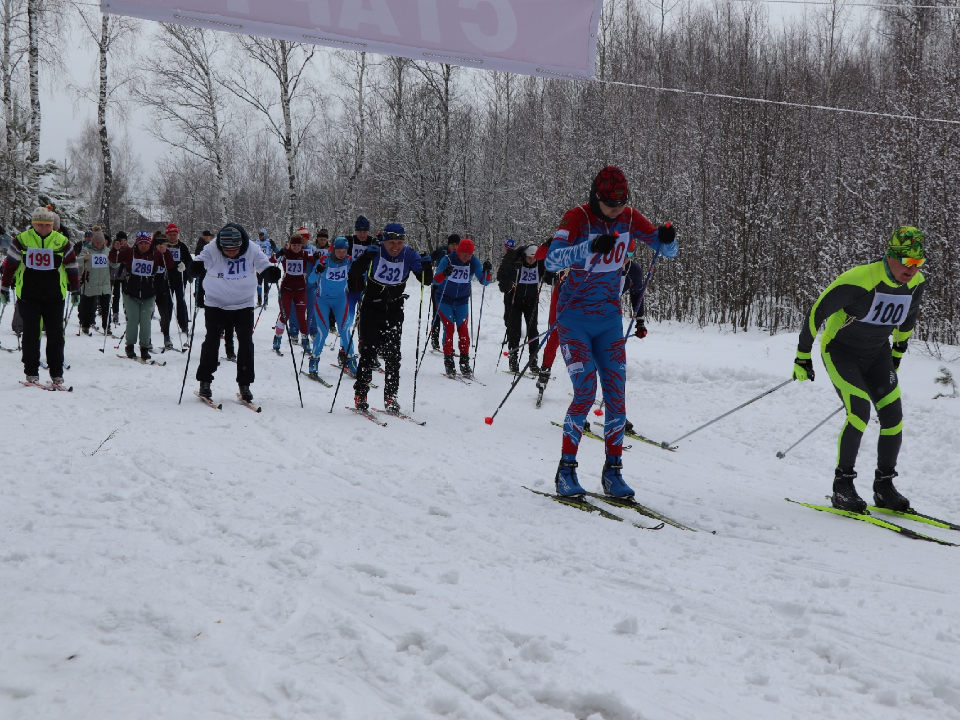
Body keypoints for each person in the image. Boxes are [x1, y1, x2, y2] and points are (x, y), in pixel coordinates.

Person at [544, 165, 678, 498]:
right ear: (596, 197)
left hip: (608, 321)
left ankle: (613, 472)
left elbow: (667, 251)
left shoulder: (630, 218)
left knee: (617, 396)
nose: (616, 211)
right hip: (573, 320)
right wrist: (588, 248)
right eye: (610, 205)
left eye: (621, 204)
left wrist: (667, 239)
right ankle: (566, 470)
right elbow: (550, 260)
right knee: (586, 390)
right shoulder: (577, 218)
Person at [793, 226, 926, 514]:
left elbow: (908, 319)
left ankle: (884, 485)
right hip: (840, 352)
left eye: (918, 263)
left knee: (893, 418)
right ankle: (843, 486)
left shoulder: (916, 284)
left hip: (877, 355)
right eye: (907, 262)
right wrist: (803, 355)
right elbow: (817, 311)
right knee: (859, 413)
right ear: (891, 256)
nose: (912, 269)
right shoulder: (859, 279)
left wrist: (898, 353)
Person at [348, 222, 431, 414]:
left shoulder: (409, 254)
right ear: (384, 241)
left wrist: (427, 266)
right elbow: (353, 273)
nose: (395, 247)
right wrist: (365, 258)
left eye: (399, 243)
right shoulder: (376, 251)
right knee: (368, 354)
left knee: (393, 356)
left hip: (393, 309)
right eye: (392, 243)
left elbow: (426, 280)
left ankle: (391, 397)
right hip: (371, 307)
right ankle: (361, 394)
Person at [191, 223, 279, 402]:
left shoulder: (252, 249)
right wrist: (197, 267)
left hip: (243, 303)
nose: (231, 253)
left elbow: (263, 263)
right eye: (227, 249)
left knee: (246, 342)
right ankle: (205, 381)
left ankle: (245, 384)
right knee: (212, 339)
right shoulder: (213, 248)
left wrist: (270, 272)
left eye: (235, 249)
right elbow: (201, 259)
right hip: (216, 302)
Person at [0, 207, 80, 386]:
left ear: (52, 225)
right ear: (33, 224)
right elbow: (10, 265)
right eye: (39, 224)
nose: (43, 228)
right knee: (31, 333)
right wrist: (4, 287)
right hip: (28, 294)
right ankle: (31, 372)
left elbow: (72, 266)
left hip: (55, 295)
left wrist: (75, 289)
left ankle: (57, 373)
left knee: (55, 334)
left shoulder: (61, 242)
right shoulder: (21, 240)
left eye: (47, 225)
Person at [110, 230, 173, 361]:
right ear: (137, 244)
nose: (144, 246)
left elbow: (170, 265)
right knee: (133, 320)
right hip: (131, 293)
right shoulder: (129, 252)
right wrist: (115, 249)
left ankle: (144, 347)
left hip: (149, 294)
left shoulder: (155, 254)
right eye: (141, 243)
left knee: (145, 322)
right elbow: (113, 259)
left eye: (146, 243)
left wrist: (165, 252)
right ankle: (130, 346)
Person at [432, 238, 491, 378]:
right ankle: (449, 361)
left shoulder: (474, 262)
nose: (466, 257)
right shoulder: (448, 259)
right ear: (458, 251)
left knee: (463, 330)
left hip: (462, 301)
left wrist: (487, 271)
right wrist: (444, 273)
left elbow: (484, 281)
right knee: (449, 327)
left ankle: (464, 362)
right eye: (463, 253)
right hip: (444, 299)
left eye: (469, 254)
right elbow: (436, 280)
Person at [308, 237, 356, 377]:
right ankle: (314, 360)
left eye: (344, 251)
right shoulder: (324, 260)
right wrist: (317, 270)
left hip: (340, 299)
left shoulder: (349, 261)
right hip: (322, 300)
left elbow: (361, 273)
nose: (341, 254)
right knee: (323, 330)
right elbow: (311, 280)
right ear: (333, 249)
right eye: (339, 251)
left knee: (345, 330)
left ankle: (351, 360)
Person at [501, 243, 549, 373]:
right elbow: (505, 275)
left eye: (534, 258)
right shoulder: (517, 263)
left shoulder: (539, 264)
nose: (531, 261)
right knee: (514, 330)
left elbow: (549, 277)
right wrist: (513, 269)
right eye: (529, 258)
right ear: (524, 256)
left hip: (531, 302)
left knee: (533, 331)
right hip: (515, 301)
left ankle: (533, 362)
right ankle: (513, 359)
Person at [272, 233, 317, 354]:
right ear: (290, 245)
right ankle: (277, 338)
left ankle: (305, 340)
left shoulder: (305, 254)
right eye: (294, 245)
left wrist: (318, 257)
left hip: (300, 290)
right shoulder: (286, 254)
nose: (296, 248)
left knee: (301, 317)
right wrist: (278, 253)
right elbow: (271, 259)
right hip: (286, 289)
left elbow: (316, 260)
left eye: (298, 245)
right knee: (284, 314)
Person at [78, 226, 111, 335]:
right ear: (93, 241)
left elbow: (114, 263)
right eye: (96, 242)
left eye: (100, 242)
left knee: (106, 306)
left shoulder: (107, 251)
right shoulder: (87, 249)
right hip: (91, 282)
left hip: (104, 283)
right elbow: (78, 260)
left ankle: (107, 326)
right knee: (87, 305)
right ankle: (85, 325)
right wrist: (84, 258)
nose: (99, 244)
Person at [429, 234, 460, 352]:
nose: (455, 247)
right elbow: (430, 259)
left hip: (451, 290)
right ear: (449, 244)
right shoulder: (442, 251)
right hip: (438, 288)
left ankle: (447, 343)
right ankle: (434, 339)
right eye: (453, 244)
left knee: (449, 317)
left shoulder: (461, 255)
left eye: (457, 244)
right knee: (436, 314)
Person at [164, 223, 192, 334]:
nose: (172, 237)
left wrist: (187, 270)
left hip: (180, 278)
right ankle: (166, 324)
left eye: (174, 234)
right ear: (167, 235)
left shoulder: (182, 246)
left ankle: (184, 325)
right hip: (167, 278)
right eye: (170, 234)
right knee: (168, 302)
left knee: (181, 300)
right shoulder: (163, 246)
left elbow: (189, 261)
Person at [152, 232, 178, 349]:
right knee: (147, 314)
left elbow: (170, 265)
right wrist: (158, 252)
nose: (163, 246)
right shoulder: (151, 251)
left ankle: (166, 336)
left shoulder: (165, 252)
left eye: (165, 245)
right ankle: (146, 339)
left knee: (166, 313)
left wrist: (165, 252)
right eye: (161, 244)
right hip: (150, 287)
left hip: (162, 287)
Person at [346, 215, 373, 318]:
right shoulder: (349, 241)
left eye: (365, 232)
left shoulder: (372, 242)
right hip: (350, 288)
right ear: (355, 231)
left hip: (365, 288)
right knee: (349, 316)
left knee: (364, 318)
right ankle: (345, 334)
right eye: (359, 231)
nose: (362, 234)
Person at [497, 237, 517, 332]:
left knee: (509, 311)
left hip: (509, 288)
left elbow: (500, 274)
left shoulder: (506, 259)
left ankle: (510, 332)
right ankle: (514, 331)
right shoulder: (517, 257)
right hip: (516, 288)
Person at [110, 232, 128, 326]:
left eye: (125, 240)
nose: (124, 242)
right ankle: (115, 313)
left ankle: (127, 311)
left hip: (125, 276)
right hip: (115, 275)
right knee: (116, 296)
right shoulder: (113, 249)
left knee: (126, 295)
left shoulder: (128, 249)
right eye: (122, 240)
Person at [255, 228, 277, 307]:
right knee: (259, 283)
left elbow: (277, 252)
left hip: (267, 265)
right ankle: (259, 300)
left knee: (266, 283)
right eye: (259, 235)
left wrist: (274, 246)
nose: (260, 236)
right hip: (259, 265)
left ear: (265, 235)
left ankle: (266, 299)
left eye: (262, 235)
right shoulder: (256, 242)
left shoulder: (269, 242)